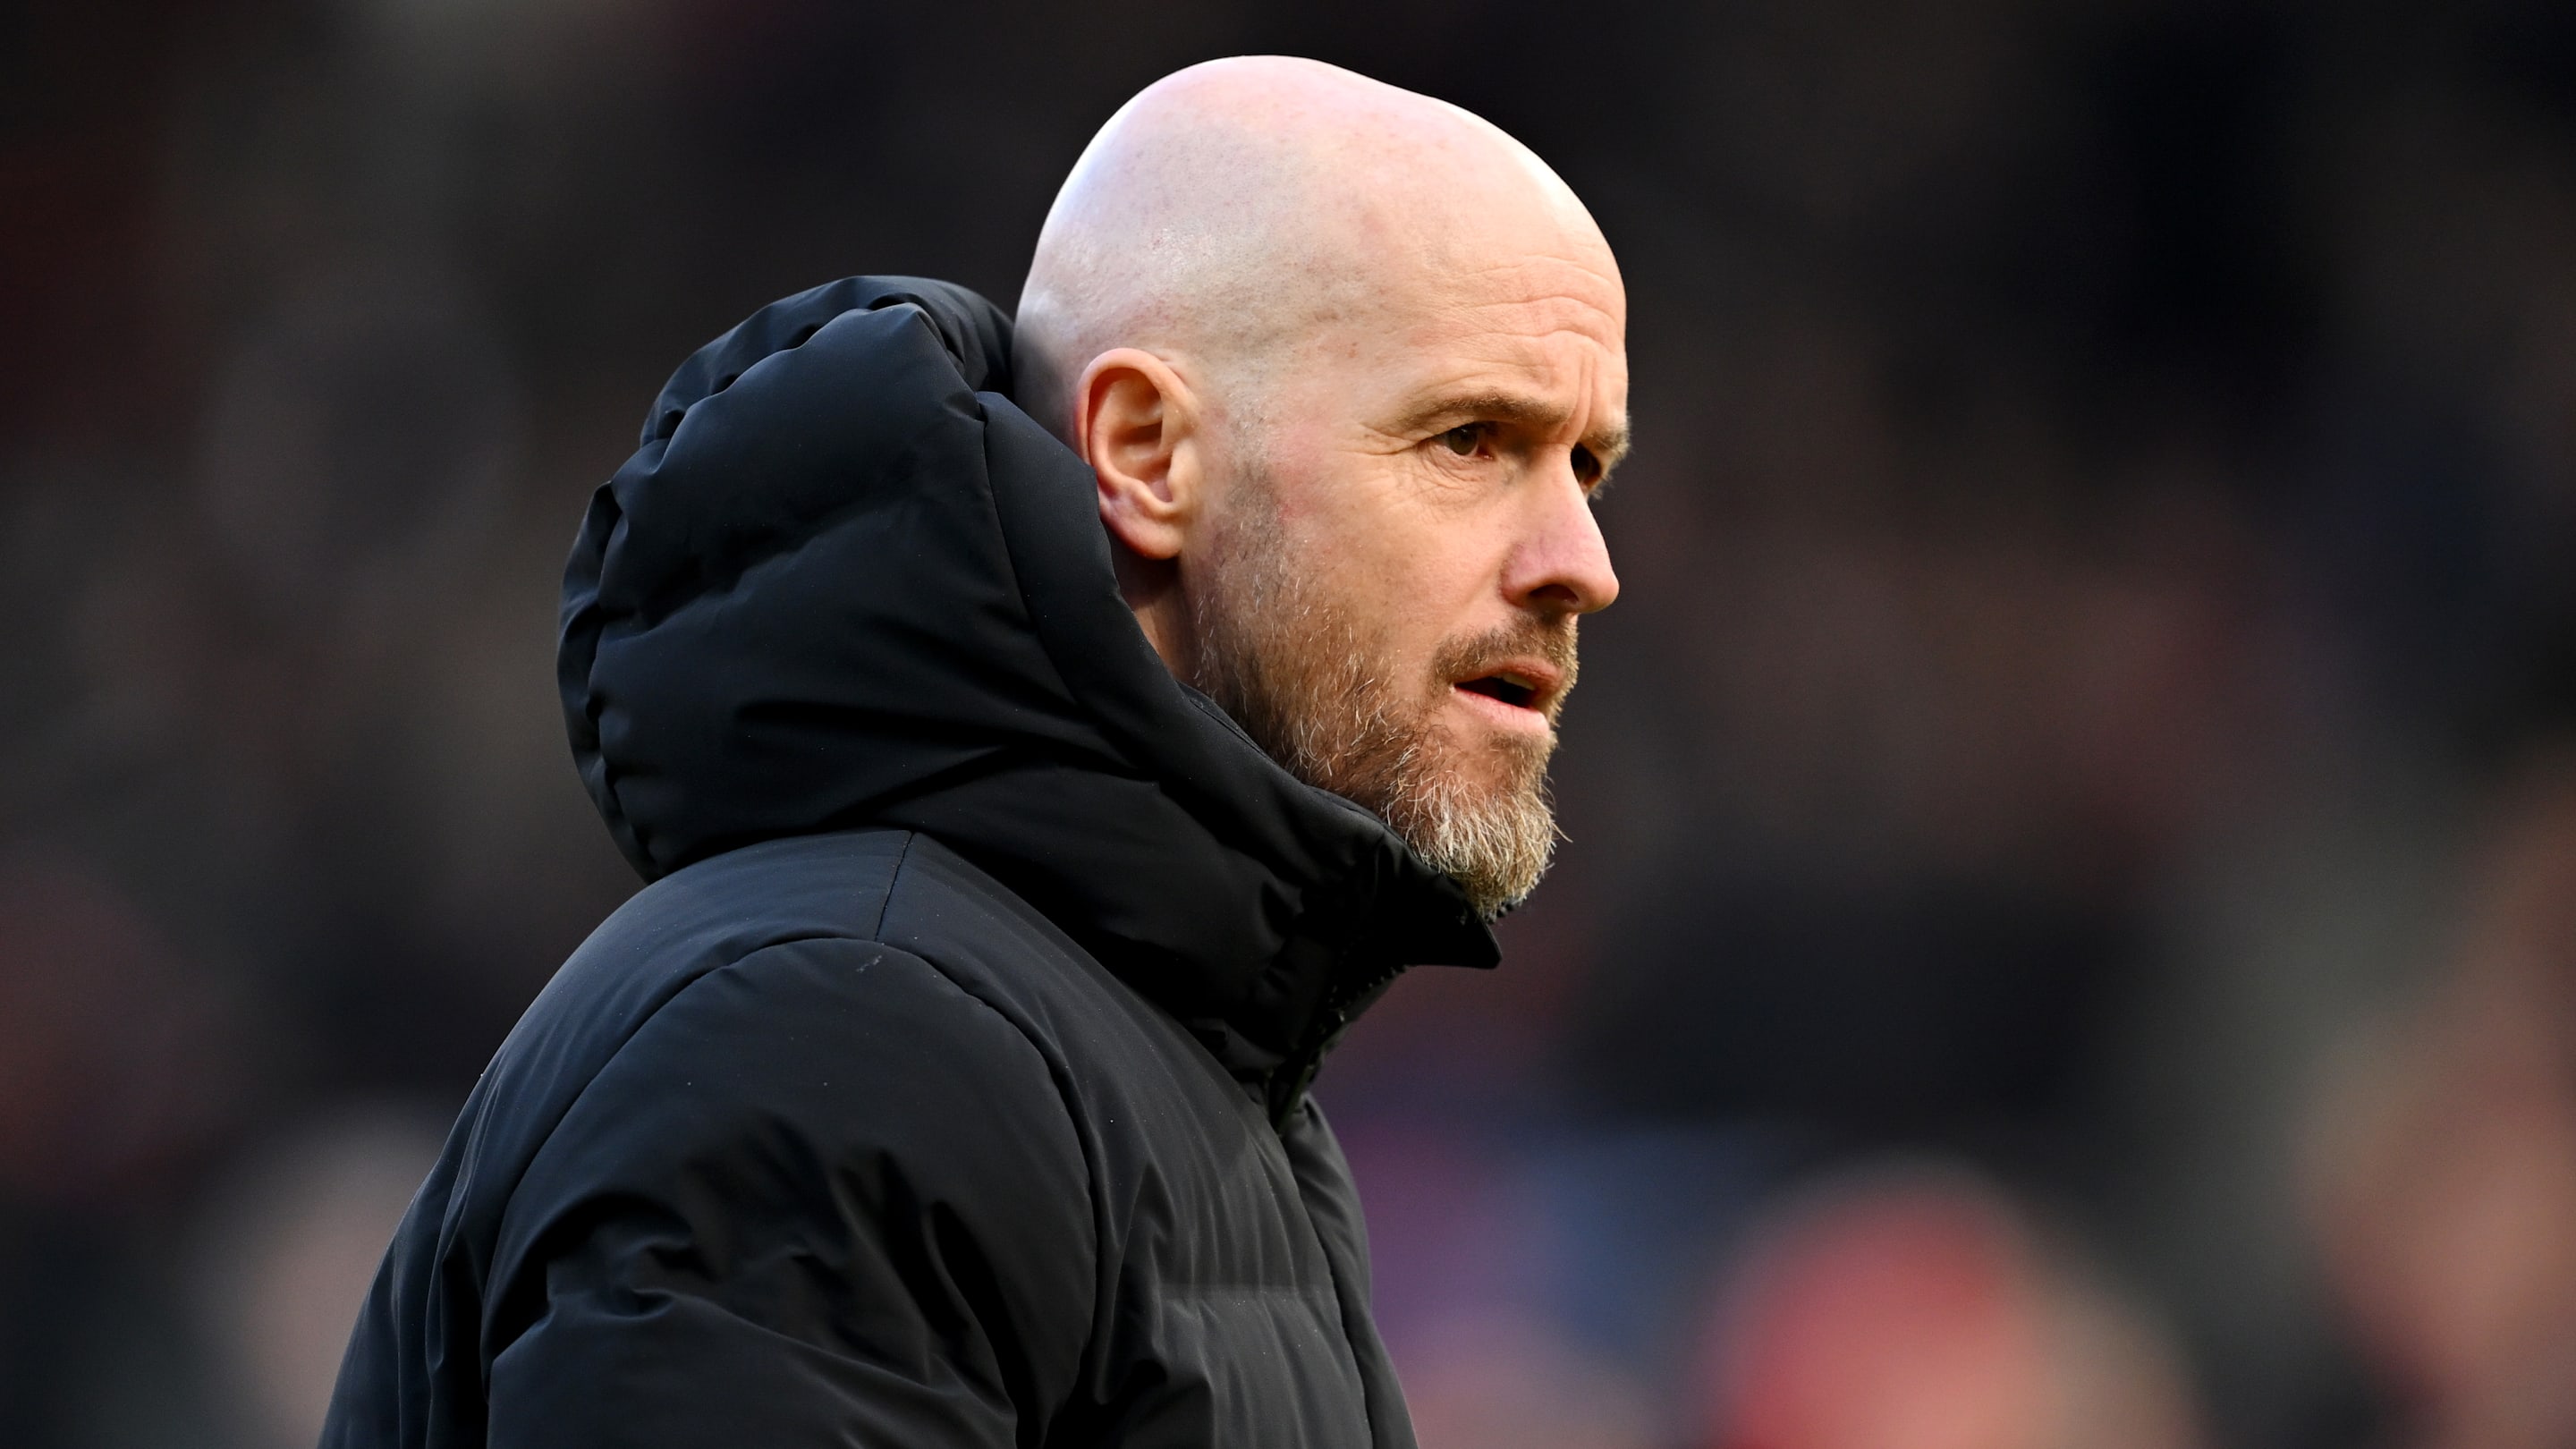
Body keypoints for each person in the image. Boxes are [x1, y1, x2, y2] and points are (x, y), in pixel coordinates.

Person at [321, 55, 1624, 1449]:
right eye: (1470, 440)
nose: (1582, 564)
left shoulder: (1175, 1070)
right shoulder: (844, 1038)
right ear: (1145, 453)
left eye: (1586, 466)